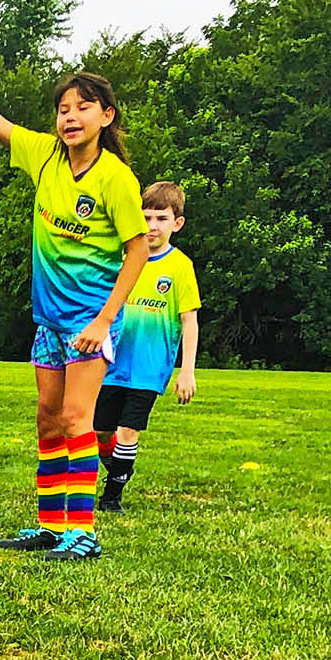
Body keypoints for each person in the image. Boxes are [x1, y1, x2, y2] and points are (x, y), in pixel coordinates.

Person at [0, 24, 147, 560]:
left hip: (90, 322)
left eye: (83, 107)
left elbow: (138, 251)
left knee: (79, 418)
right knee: (48, 419)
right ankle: (52, 526)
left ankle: (83, 534)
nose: (70, 117)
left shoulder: (116, 179)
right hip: (50, 323)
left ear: (107, 116)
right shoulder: (45, 157)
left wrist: (104, 322)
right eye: (63, 109)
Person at [94, 181, 201, 511]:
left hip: (148, 366)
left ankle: (111, 497)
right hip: (111, 362)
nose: (152, 226)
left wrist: (187, 372)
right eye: (146, 218)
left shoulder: (180, 267)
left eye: (161, 218)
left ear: (177, 223)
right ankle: (119, 470)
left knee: (128, 431)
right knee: (100, 431)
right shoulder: (123, 259)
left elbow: (189, 321)